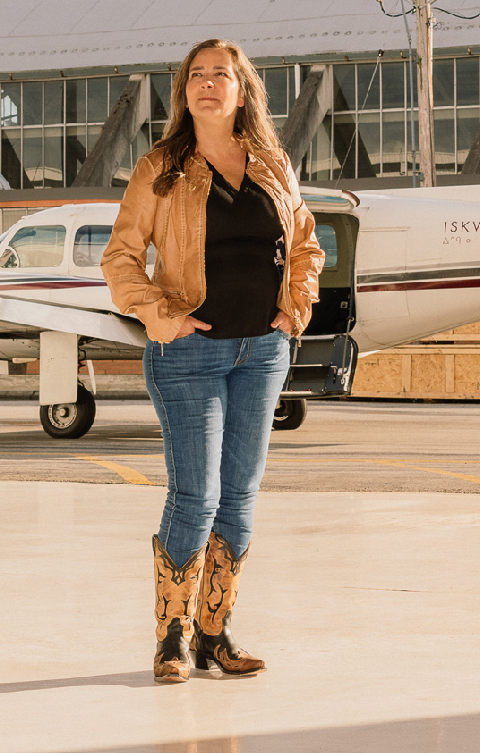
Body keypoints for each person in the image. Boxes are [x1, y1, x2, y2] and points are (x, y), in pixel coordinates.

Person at [101, 39, 325, 684]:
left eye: (219, 75)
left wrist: (295, 312)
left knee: (240, 497)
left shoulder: (271, 161)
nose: (206, 85)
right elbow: (120, 257)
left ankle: (214, 636)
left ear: (242, 89)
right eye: (195, 76)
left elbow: (307, 243)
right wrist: (157, 312)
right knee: (195, 495)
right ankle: (171, 640)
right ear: (184, 92)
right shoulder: (162, 166)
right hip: (188, 351)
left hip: (263, 351)